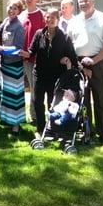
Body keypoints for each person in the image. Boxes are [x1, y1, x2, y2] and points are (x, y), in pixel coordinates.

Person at [67, 0, 103, 143]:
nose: (83, 3)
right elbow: (69, 43)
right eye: (81, 1)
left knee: (100, 98)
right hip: (79, 62)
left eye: (86, 0)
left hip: (99, 61)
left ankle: (102, 132)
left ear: (93, 2)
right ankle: (86, 130)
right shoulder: (74, 20)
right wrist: (77, 63)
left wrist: (94, 60)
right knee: (82, 99)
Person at [22, 8, 78, 137]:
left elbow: (72, 56)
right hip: (39, 74)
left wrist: (74, 64)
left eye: (53, 17)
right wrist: (25, 53)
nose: (50, 19)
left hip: (56, 75)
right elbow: (32, 51)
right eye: (47, 17)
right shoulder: (39, 34)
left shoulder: (64, 37)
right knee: (37, 101)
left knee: (53, 102)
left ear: (58, 20)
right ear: (45, 19)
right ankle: (40, 128)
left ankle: (52, 128)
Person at [0, 0, 27, 135]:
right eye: (10, 7)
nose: (12, 10)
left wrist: (2, 49)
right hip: (4, 64)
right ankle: (7, 120)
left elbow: (18, 49)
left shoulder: (19, 27)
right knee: (5, 95)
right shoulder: (4, 23)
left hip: (14, 66)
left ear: (19, 11)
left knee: (14, 96)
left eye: (15, 8)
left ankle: (16, 124)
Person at [18, 0, 45, 123]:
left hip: (34, 59)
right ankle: (17, 116)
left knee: (35, 89)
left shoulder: (42, 15)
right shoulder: (21, 16)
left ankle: (34, 116)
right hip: (19, 58)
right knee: (16, 87)